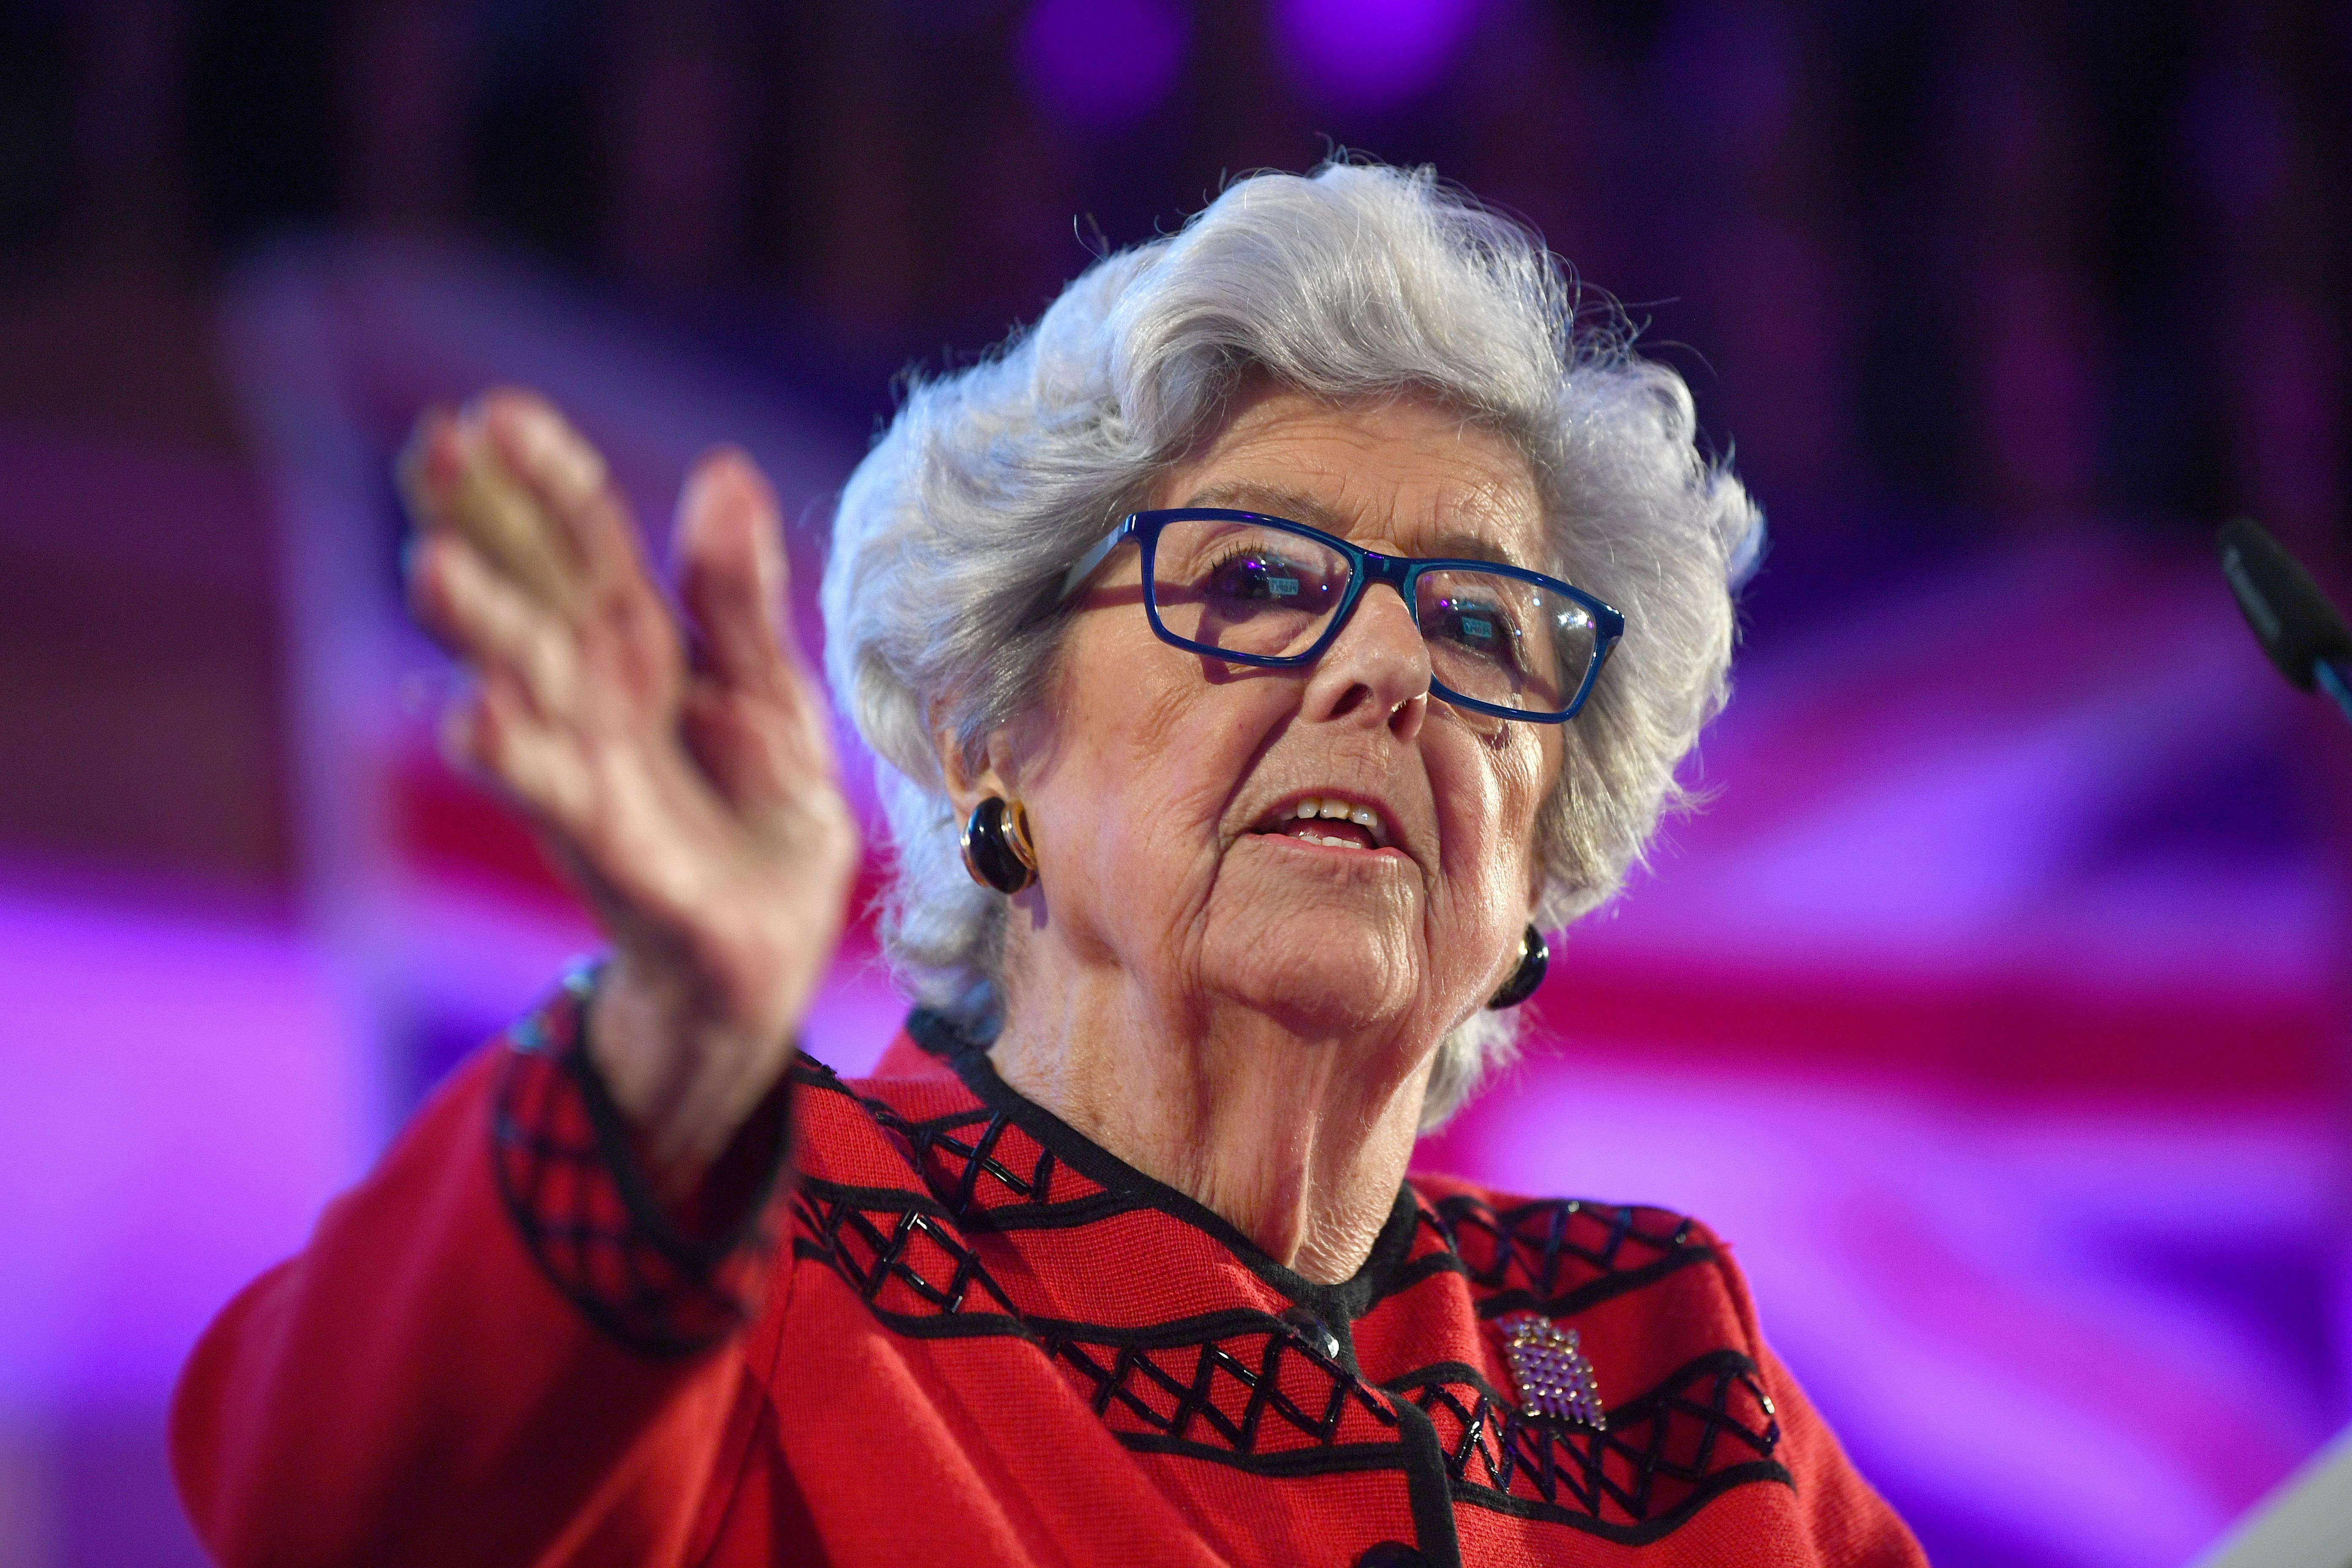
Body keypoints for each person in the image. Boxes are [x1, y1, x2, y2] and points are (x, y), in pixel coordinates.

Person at [170, 161, 1923, 1567]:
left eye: (1480, 620)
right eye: (1252, 581)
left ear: (1546, 841)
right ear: (983, 731)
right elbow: (323, 1505)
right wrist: (666, 1058)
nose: (1390, 671)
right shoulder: (761, 1243)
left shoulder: (1660, 1348)